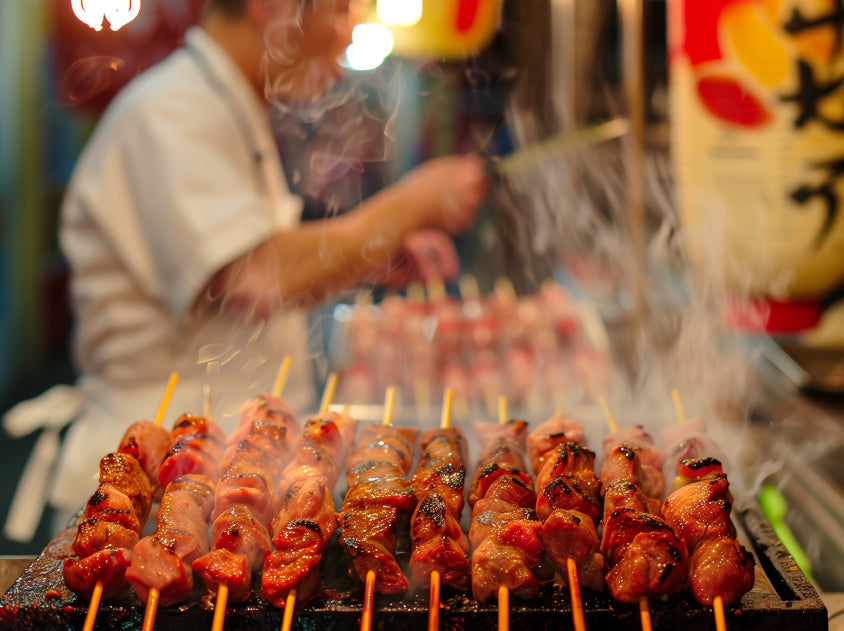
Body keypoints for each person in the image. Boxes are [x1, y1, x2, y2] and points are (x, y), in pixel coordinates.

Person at [4, 0, 489, 537]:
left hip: (229, 491)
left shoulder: (224, 105)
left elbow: (260, 263)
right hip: (151, 503)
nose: (350, 29)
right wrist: (411, 204)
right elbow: (257, 275)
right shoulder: (174, 109)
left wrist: (372, 255)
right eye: (338, 8)